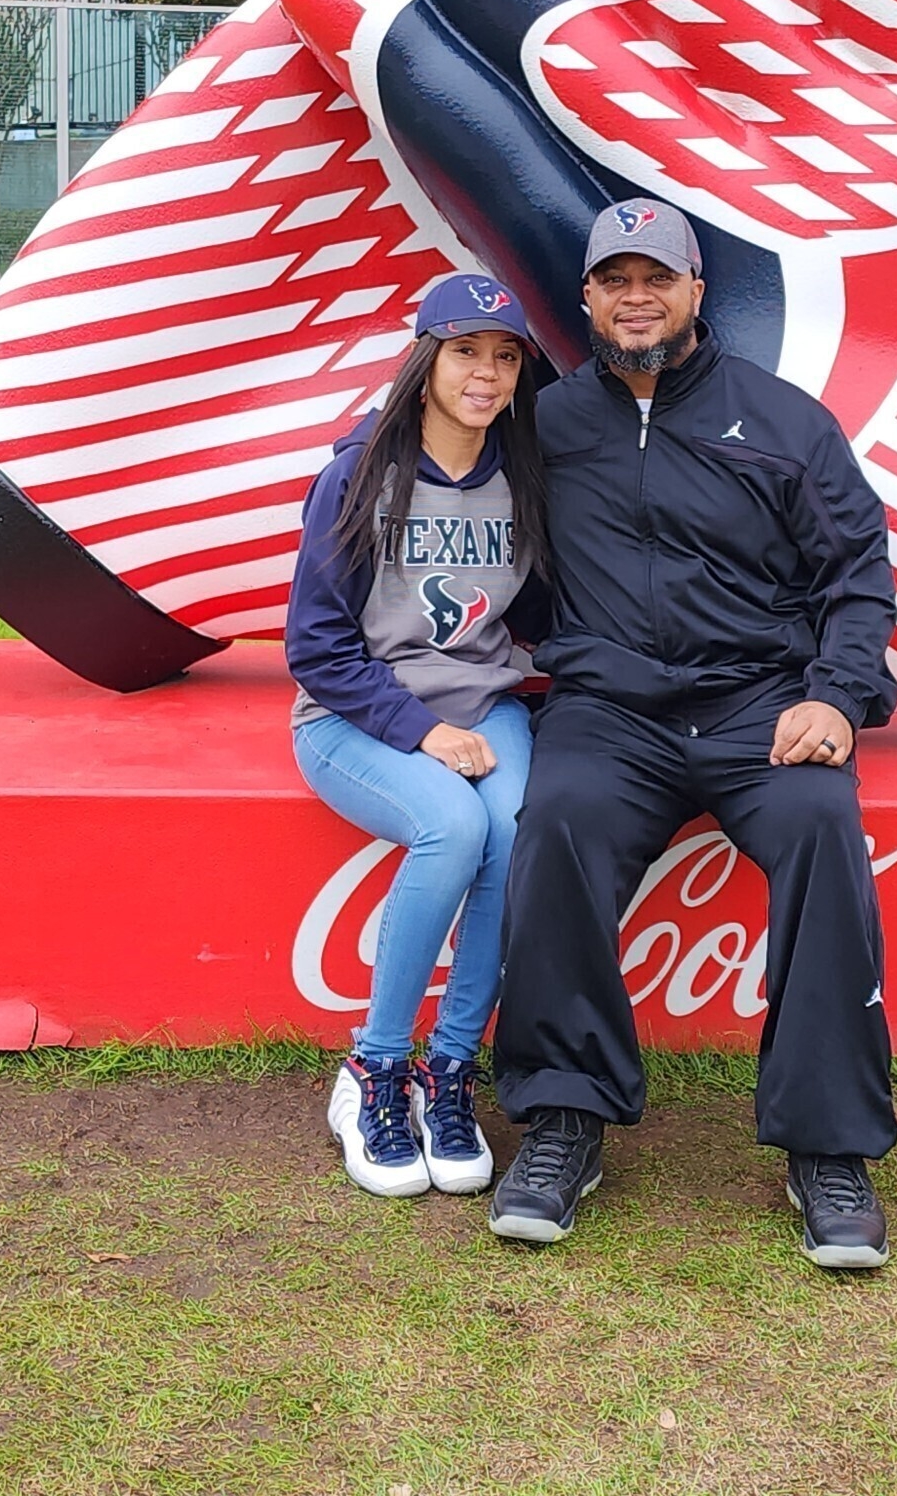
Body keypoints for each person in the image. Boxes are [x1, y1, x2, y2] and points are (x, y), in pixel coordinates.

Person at [488, 199, 897, 1271]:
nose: (636, 297)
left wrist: (838, 697)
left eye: (656, 278)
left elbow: (857, 578)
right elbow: (420, 468)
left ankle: (828, 1146)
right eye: (614, 278)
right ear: (585, 296)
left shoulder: (785, 420)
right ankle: (564, 1119)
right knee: (559, 821)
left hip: (760, 704)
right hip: (611, 710)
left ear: (695, 293)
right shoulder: (545, 422)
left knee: (821, 831)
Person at [286, 272, 551, 1199]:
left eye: (505, 355)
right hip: (356, 714)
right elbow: (315, 651)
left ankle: (448, 1072)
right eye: (466, 351)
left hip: (487, 705)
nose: (486, 372)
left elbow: (544, 619)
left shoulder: (523, 480)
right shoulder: (359, 477)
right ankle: (375, 1068)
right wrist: (421, 730)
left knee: (517, 833)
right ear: (425, 359)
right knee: (454, 826)